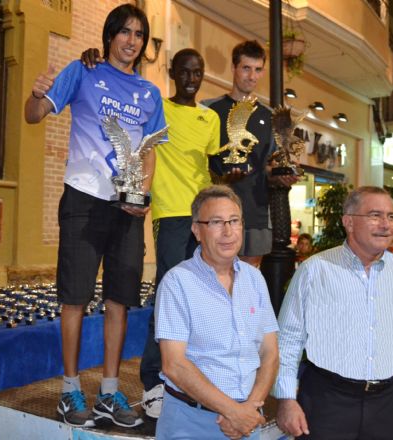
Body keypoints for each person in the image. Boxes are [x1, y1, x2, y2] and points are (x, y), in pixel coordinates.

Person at [24, 3, 167, 428]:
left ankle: (108, 391)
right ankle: (70, 391)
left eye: (139, 34)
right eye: (124, 32)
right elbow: (34, 117)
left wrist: (141, 192)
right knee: (74, 298)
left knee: (120, 300)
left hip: (127, 210)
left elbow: (150, 151)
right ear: (109, 36)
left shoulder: (150, 93)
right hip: (84, 201)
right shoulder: (82, 71)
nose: (131, 40)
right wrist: (36, 93)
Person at [80, 47, 222, 418]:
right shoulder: (157, 104)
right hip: (170, 214)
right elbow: (122, 87)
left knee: (202, 296)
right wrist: (95, 61)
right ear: (173, 72)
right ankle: (152, 379)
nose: (192, 79)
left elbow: (210, 167)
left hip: (202, 217)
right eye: (185, 72)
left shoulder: (210, 120)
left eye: (198, 73)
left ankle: (192, 374)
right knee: (169, 294)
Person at [274, 186, 393, 440]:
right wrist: (285, 399)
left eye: (391, 216)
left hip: (388, 404)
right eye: (375, 215)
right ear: (349, 222)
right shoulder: (315, 271)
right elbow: (288, 340)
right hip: (326, 400)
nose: (385, 224)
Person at [155, 185, 279, 439]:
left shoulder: (255, 279)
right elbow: (174, 365)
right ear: (196, 230)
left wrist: (248, 409)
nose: (228, 231)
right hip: (190, 424)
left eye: (234, 221)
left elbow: (270, 353)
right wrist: (233, 411)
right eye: (216, 222)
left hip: (247, 421)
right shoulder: (177, 282)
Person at [203, 40, 299, 268]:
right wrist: (220, 178)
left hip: (255, 210)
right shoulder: (209, 109)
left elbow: (270, 166)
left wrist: (280, 175)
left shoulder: (271, 117)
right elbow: (199, 161)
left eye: (257, 70)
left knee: (248, 277)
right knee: (214, 275)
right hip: (215, 210)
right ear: (234, 68)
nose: (252, 76)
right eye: (246, 68)